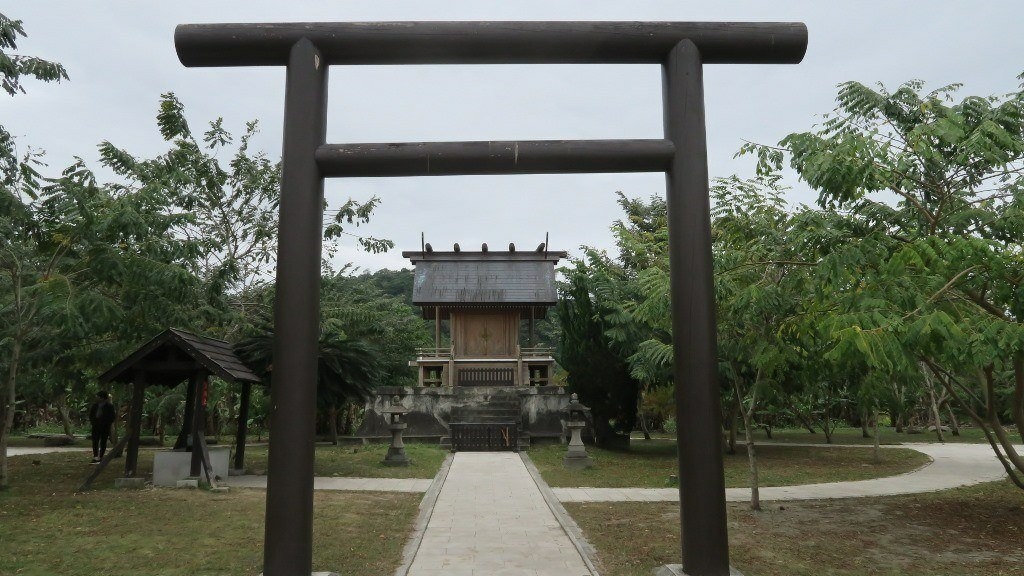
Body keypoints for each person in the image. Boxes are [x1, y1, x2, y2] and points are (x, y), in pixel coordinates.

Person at [89, 391, 116, 463]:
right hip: (95, 426)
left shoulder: (109, 406)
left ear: (102, 398)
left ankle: (100, 456)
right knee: (95, 441)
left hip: (105, 426)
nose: (96, 397)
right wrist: (93, 422)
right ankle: (95, 456)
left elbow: (112, 417)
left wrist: (107, 423)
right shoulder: (95, 405)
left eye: (98, 396)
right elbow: (91, 415)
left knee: (103, 441)